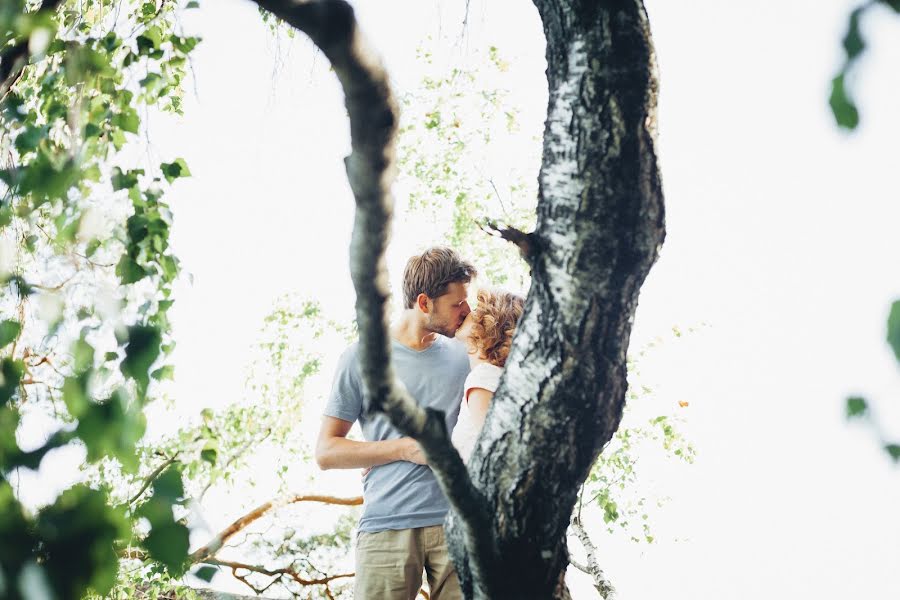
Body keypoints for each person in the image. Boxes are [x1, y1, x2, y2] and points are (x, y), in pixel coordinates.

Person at [317, 246, 476, 600]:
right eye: (457, 304)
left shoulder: (466, 356)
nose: (467, 311)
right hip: (387, 526)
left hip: (460, 526)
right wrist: (402, 449)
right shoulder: (360, 359)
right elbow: (327, 451)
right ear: (424, 303)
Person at [451, 288, 525, 463]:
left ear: (489, 323)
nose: (468, 311)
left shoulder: (483, 377)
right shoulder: (501, 379)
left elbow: (497, 452)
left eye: (477, 310)